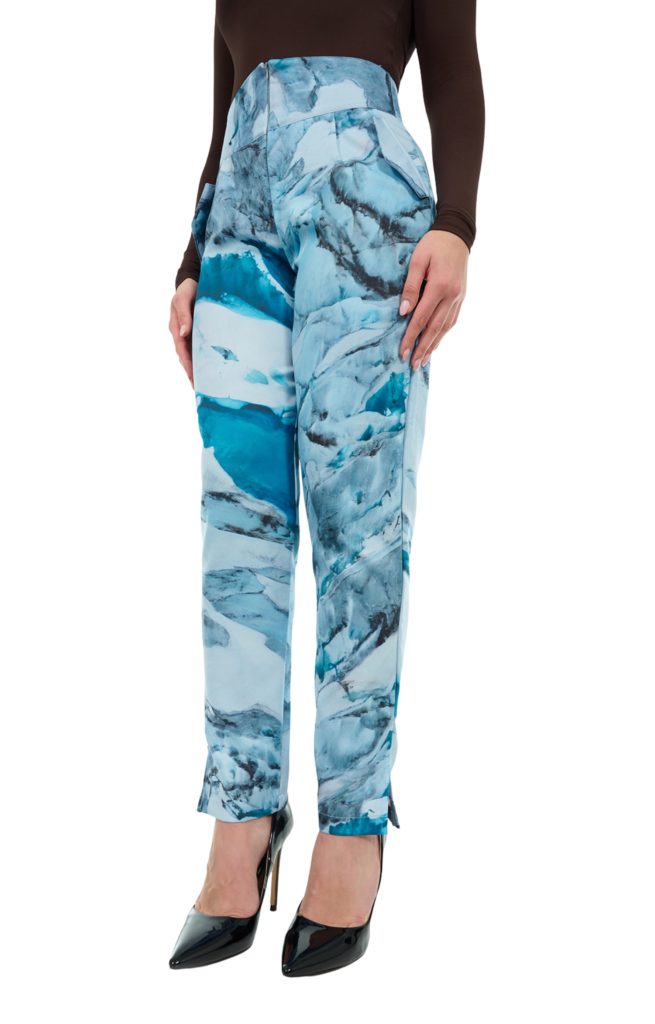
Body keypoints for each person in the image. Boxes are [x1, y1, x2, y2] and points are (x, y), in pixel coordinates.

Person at [167, 0, 485, 977]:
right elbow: (224, 109)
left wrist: (455, 227)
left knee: (359, 523)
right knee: (237, 526)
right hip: (240, 218)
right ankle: (241, 820)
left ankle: (351, 829)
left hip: (364, 196)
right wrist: (190, 259)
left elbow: (453, 73)